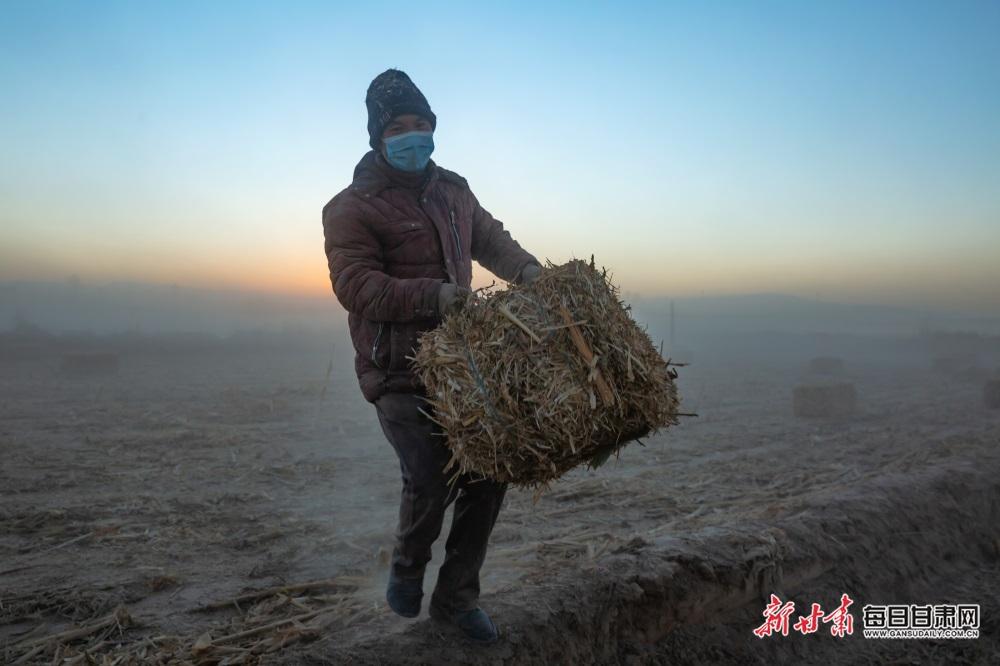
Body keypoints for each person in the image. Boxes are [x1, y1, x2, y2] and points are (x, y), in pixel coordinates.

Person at [322, 69, 541, 644]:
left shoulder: (454, 190)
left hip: (462, 363)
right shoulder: (351, 207)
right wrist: (434, 296)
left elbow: (490, 239)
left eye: (422, 124)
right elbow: (355, 284)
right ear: (378, 137)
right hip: (396, 368)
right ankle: (407, 570)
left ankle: (457, 599)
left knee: (490, 473)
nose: (414, 136)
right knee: (429, 477)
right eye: (400, 127)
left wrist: (531, 273)